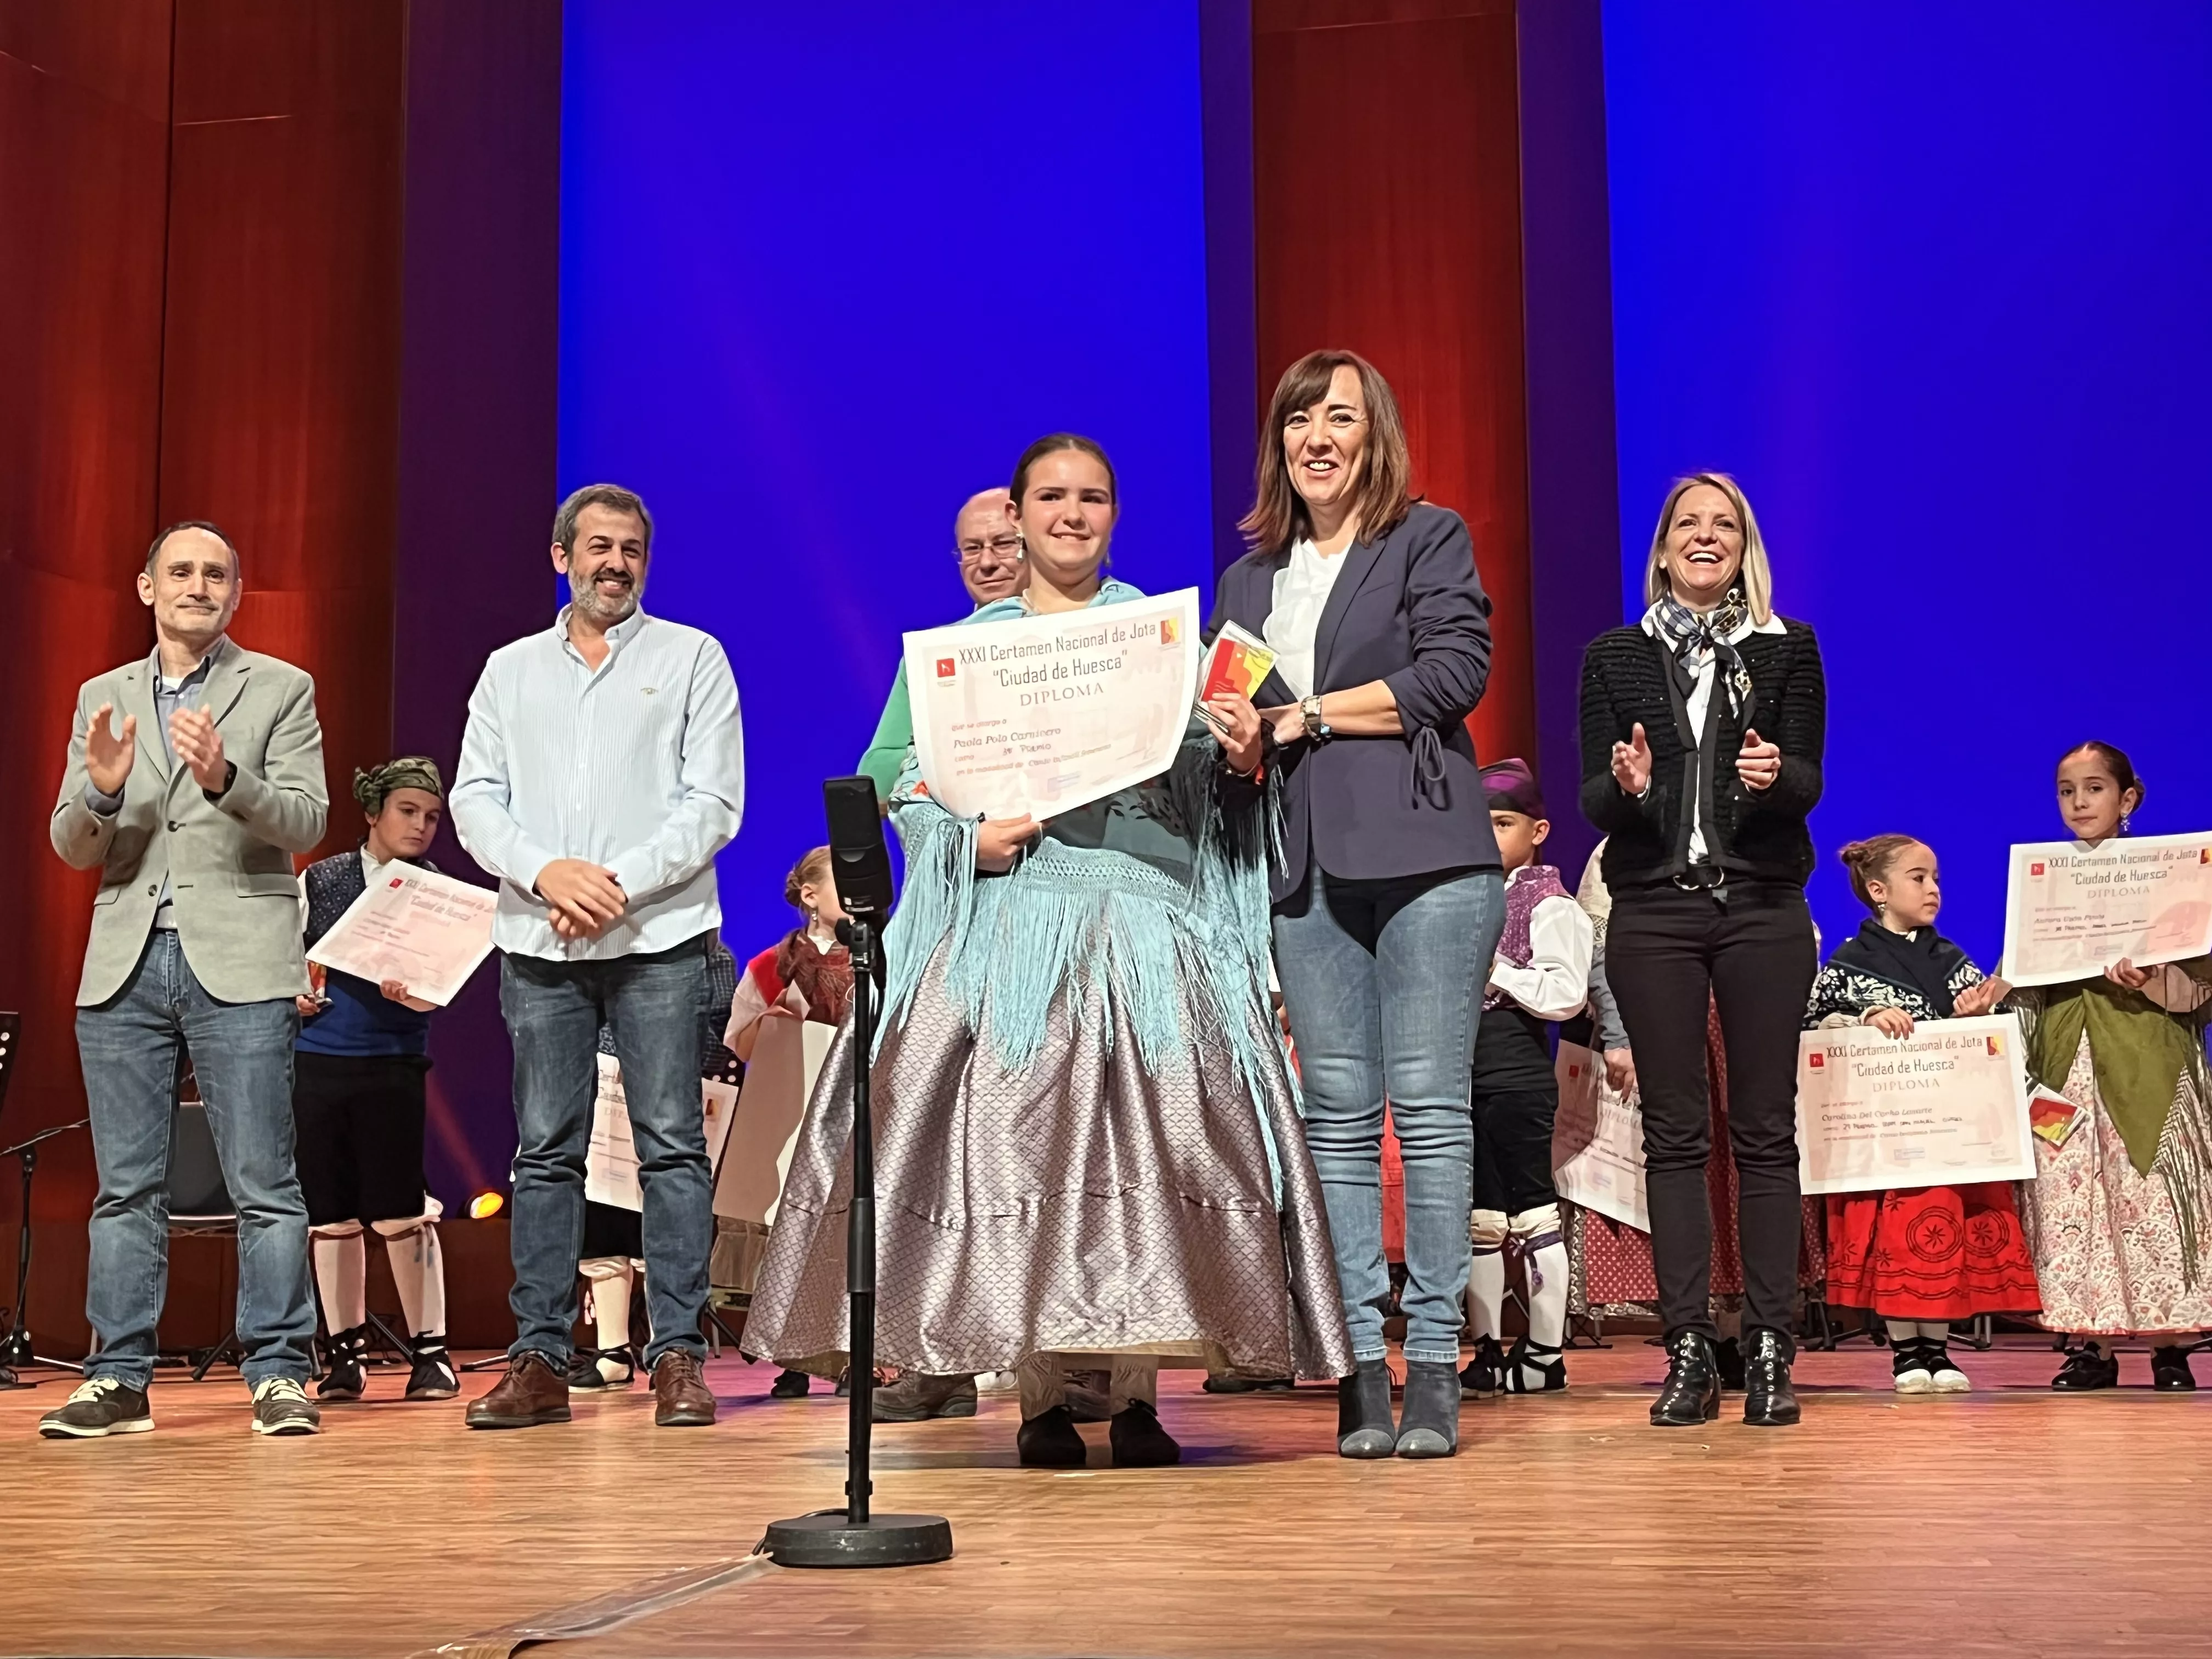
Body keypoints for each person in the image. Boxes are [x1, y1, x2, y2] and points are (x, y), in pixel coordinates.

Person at [743, 435, 1351, 1469]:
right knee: (1017, 1143)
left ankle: (1135, 1394)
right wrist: (962, 839)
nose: (1073, 514)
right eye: (1052, 497)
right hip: (1014, 928)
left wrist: (1247, 758)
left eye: (1093, 497)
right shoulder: (960, 653)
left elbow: (1223, 783)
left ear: (1115, 513)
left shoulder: (1171, 638)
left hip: (1149, 927)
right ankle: (1042, 1399)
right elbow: (895, 776)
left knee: (1153, 1147)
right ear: (1017, 517)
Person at [1206, 349, 1504, 1459]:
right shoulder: (1248, 581)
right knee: (1332, 1122)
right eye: (1298, 420)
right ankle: (1356, 1370)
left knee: (1427, 1112)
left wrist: (1309, 715)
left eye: (1339, 418)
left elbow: (1453, 675)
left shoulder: (1425, 536)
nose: (1316, 438)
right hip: (1304, 866)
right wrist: (1242, 745)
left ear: (1374, 434)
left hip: (1427, 856)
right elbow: (1241, 732)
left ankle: (1432, 1361)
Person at [450, 483, 744, 1430]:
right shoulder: (509, 671)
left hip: (658, 939)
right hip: (541, 941)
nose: (615, 564)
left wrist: (613, 884)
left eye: (631, 550)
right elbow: (475, 798)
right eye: (599, 547)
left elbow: (713, 803)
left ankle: (677, 1355)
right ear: (561, 556)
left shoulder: (693, 657)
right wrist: (548, 874)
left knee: (671, 1146)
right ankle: (540, 1355)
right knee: (545, 1151)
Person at [41, 521, 328, 1438]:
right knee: (126, 1187)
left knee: (264, 1183)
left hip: (240, 957)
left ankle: (279, 1370)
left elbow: (306, 819)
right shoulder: (102, 695)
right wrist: (100, 789)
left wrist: (227, 775)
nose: (198, 585)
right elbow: (71, 842)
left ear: (235, 594)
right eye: (181, 571)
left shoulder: (281, 686)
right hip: (125, 961)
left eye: (215, 574)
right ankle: (117, 1376)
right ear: (147, 588)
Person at [1578, 471, 1826, 1429]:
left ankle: (1767, 1345)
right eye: (1689, 522)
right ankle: (1687, 1345)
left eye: (1725, 524)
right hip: (1654, 911)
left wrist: (1772, 775)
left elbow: (1806, 778)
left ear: (1744, 546)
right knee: (1673, 1134)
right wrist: (1630, 785)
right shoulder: (1615, 655)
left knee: (1764, 1129)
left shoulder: (1786, 647)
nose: (1706, 536)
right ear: (1664, 546)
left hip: (1761, 905)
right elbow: (1596, 801)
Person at [1805, 836, 2040, 1391]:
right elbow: (1813, 1028)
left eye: (1936, 878)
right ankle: (1905, 1353)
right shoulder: (1846, 965)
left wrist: (1977, 1018)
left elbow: (1995, 1040)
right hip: (1883, 1130)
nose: (1933, 888)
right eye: (1918, 878)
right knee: (1893, 1234)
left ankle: (1937, 1350)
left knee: (1941, 1230)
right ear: (1878, 890)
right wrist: (1865, 1017)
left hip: (1946, 1130)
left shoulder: (1953, 960)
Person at [2012, 742, 2212, 1391]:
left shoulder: (2168, 877)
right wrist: (2000, 989)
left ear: (2127, 798)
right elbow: (2026, 969)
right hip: (2064, 1059)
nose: (2079, 802)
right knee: (2072, 1196)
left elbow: (2201, 986)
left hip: (2146, 1057)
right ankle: (2088, 1344)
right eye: (2066, 790)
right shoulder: (2046, 882)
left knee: (2147, 1193)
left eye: (2094, 788)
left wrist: (2151, 976)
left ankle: (2170, 1344)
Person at [294, 757, 461, 1403]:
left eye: (432, 817)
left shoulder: (437, 891)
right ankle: (345, 1355)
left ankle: (431, 1353)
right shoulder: (323, 879)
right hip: (317, 1061)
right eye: (407, 811)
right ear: (373, 813)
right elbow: (290, 957)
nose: (420, 826)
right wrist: (295, 994)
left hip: (392, 1063)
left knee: (399, 1211)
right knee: (330, 1216)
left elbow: (440, 989)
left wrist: (412, 991)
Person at [1460, 760, 1592, 1398]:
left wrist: (1495, 970)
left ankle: (1544, 1352)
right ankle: (1487, 1348)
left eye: (1503, 823)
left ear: (1537, 831)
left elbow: (1566, 995)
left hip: (1517, 1074)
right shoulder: (1465, 896)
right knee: (1482, 1218)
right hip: (1466, 1076)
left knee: (1534, 1211)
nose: (1488, 836)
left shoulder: (1550, 904)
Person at [721, 848, 861, 1405]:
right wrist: (771, 1022)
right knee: (790, 1237)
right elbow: (742, 1045)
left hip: (852, 1113)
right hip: (790, 1114)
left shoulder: (878, 960)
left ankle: (853, 1355)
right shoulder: (770, 966)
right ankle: (792, 1358)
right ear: (810, 895)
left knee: (847, 1233)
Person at [571, 937, 741, 1392]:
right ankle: (611, 1351)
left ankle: (668, 1348)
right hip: (603, 1090)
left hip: (668, 1092)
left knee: (665, 1216)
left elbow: (718, 1023)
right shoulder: (591, 944)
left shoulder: (705, 948)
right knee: (604, 1218)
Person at [855, 488, 1029, 799]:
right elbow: (875, 777)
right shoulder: (932, 654)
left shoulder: (1084, 631)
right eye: (972, 549)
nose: (986, 562)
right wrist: (967, 748)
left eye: (1004, 544)